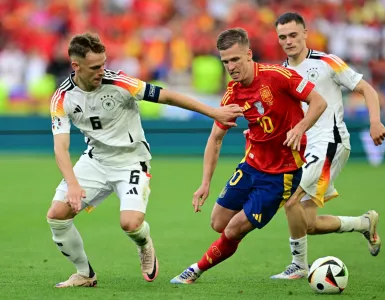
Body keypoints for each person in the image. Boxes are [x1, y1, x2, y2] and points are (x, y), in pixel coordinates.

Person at [46, 33, 244, 288]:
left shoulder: (120, 82)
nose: (101, 71)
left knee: (130, 223)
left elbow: (169, 96)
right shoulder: (62, 97)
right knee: (57, 215)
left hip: (131, 161)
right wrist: (73, 184)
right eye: (95, 67)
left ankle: (144, 243)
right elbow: (60, 148)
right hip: (95, 161)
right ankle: (84, 273)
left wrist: (213, 112)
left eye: (103, 63)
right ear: (76, 66)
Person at [170, 28, 327, 284]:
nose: (230, 67)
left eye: (235, 59)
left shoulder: (278, 76)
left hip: (281, 174)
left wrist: (299, 128)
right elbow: (215, 139)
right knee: (218, 222)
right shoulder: (233, 94)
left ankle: (195, 270)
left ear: (249, 55)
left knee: (233, 229)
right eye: (225, 61)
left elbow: (319, 102)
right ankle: (239, 229)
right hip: (251, 165)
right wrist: (205, 183)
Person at [267, 12, 385, 279]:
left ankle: (299, 266)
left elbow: (367, 89)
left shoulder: (327, 62)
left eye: (293, 35)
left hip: (330, 143)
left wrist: (375, 122)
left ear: (305, 33)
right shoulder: (279, 73)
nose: (288, 41)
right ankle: (363, 223)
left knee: (290, 201)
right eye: (282, 37)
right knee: (307, 223)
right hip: (304, 149)